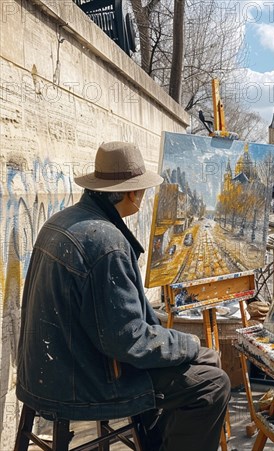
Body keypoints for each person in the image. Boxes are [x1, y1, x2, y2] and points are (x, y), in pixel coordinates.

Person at [16, 142, 230, 450]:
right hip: (83, 378)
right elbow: (127, 340)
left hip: (49, 370)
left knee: (205, 360)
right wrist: (188, 343)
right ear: (132, 194)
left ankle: (157, 441)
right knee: (213, 384)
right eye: (142, 189)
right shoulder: (107, 243)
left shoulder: (62, 221)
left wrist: (183, 346)